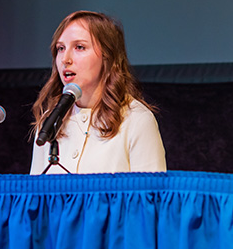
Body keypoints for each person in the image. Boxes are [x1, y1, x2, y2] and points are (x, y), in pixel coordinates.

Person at [30, 11, 166, 174]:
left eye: (79, 47)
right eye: (60, 48)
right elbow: (35, 194)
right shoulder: (49, 122)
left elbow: (149, 196)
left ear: (107, 57)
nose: (65, 59)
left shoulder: (136, 120)